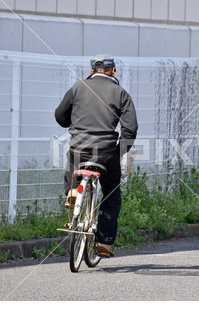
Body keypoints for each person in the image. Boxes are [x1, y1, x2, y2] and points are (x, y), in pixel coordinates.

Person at [55, 54, 138, 257]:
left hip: (79, 148)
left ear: (92, 71)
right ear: (113, 71)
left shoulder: (77, 87)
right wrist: (119, 153)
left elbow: (60, 116)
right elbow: (131, 129)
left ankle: (73, 191)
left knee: (72, 162)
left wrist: (73, 125)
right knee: (112, 194)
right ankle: (104, 242)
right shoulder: (121, 93)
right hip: (107, 152)